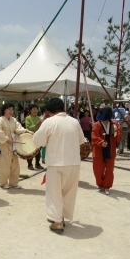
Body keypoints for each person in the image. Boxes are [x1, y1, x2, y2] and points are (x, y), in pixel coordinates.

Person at [33, 98, 82, 233]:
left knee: (54, 193)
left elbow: (38, 141)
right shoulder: (74, 121)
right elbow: (81, 140)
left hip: (56, 163)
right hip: (74, 163)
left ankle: (57, 222)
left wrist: (43, 122)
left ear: (48, 111)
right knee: (68, 192)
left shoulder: (49, 122)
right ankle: (61, 217)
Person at [0, 103, 31, 189]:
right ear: (4, 110)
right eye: (9, 109)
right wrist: (7, 139)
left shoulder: (13, 120)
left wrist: (26, 131)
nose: (11, 111)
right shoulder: (0, 120)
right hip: (4, 145)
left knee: (15, 164)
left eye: (12, 109)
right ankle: (3, 183)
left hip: (13, 144)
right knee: (4, 164)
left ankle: (14, 183)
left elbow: (18, 129)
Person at [91, 107, 122, 194]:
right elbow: (94, 136)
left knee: (109, 169)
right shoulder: (96, 125)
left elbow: (118, 137)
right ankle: (100, 185)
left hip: (110, 149)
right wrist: (101, 142)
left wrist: (115, 133)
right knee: (98, 169)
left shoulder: (115, 125)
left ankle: (107, 186)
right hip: (98, 150)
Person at [23, 104, 43, 170]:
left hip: (37, 136)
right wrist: (35, 126)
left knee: (38, 151)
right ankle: (29, 164)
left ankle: (37, 164)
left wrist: (39, 126)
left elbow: (41, 127)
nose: (35, 110)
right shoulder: (28, 118)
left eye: (36, 109)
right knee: (30, 150)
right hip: (30, 136)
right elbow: (28, 127)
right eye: (33, 109)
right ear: (30, 110)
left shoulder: (39, 118)